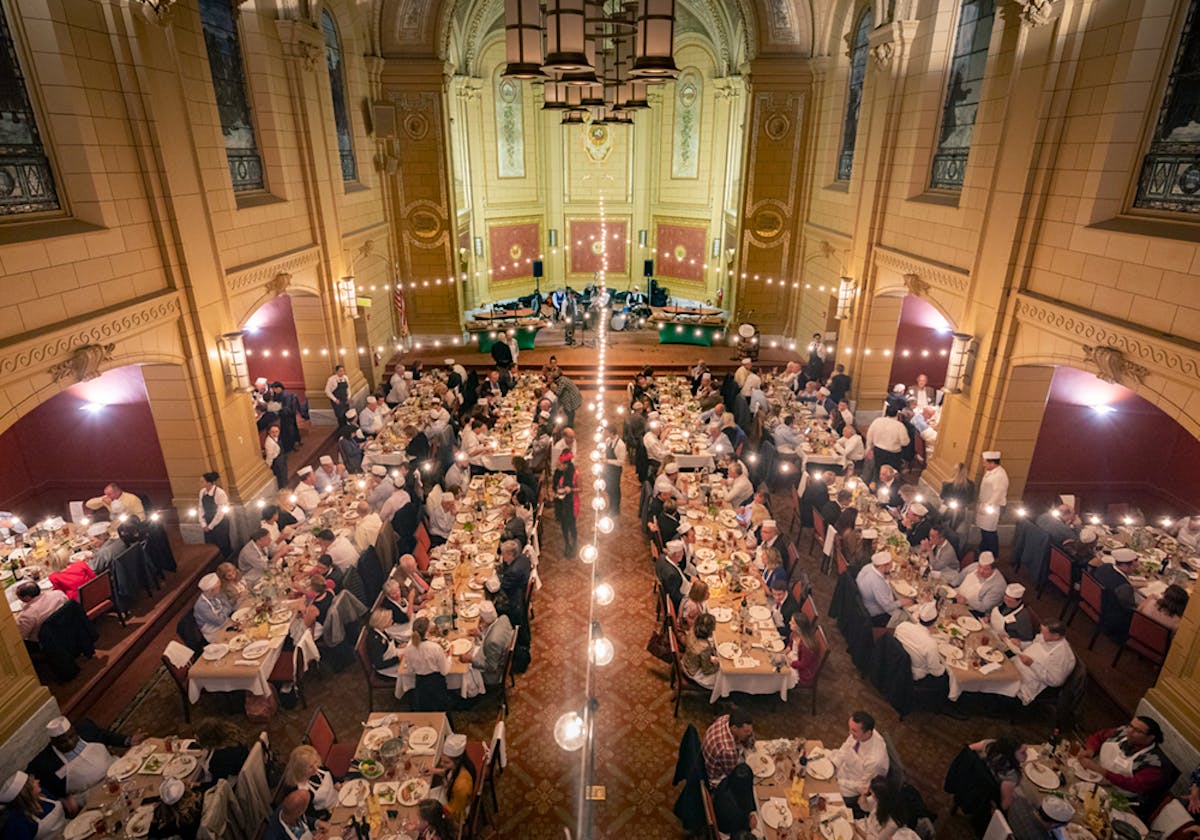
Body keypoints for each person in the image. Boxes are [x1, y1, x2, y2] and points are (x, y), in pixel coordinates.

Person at [28, 716, 144, 799]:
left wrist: (128, 740)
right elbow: (35, 784)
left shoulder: (85, 728)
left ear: (74, 731)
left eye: (72, 736)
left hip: (118, 771)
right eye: (63, 742)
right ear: (53, 742)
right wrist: (62, 800)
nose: (69, 743)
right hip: (92, 795)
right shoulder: (45, 763)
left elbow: (104, 735)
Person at [1078, 716, 1175, 811]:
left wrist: (1102, 771)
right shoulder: (1122, 732)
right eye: (1130, 726)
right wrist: (1090, 750)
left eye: (1137, 731)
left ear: (1150, 738)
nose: (1129, 731)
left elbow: (1133, 785)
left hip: (1116, 799)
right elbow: (1099, 737)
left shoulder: (1155, 763)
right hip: (1091, 777)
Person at [830, 711, 889, 807]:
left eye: (853, 731)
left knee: (827, 795)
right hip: (846, 767)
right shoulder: (862, 733)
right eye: (850, 729)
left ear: (868, 733)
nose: (849, 733)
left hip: (853, 785)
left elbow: (863, 786)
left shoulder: (875, 760)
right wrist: (834, 764)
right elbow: (846, 747)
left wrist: (838, 780)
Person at [1014, 620, 1075, 705]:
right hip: (1015, 668)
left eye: (1044, 633)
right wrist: (1020, 644)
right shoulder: (1046, 637)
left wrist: (1032, 664)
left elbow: (1055, 681)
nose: (1041, 635)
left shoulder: (1063, 656)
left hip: (1028, 683)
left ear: (1056, 636)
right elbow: (1033, 644)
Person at [0, 771, 70, 839]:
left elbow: (58, 801)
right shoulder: (17, 823)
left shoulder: (42, 794)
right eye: (33, 781)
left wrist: (66, 802)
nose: (38, 781)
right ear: (27, 793)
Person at [702, 709, 755, 787]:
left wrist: (748, 737)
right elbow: (734, 774)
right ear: (734, 728)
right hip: (715, 778)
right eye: (746, 731)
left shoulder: (726, 718)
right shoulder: (728, 750)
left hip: (708, 760)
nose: (750, 733)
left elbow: (749, 739)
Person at [857, 552, 913, 627]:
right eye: (890, 565)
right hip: (876, 614)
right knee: (908, 616)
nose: (892, 567)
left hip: (865, 603)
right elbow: (887, 607)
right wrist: (902, 602)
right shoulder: (877, 583)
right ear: (882, 566)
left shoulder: (868, 567)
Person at [469, 597, 514, 689]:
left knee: (464, 669)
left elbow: (491, 667)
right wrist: (480, 634)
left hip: (493, 674)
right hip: (497, 655)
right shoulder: (503, 618)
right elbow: (491, 634)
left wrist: (470, 660)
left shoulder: (493, 642)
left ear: (482, 620)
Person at [894, 602, 946, 681]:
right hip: (912, 674)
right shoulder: (931, 644)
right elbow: (936, 672)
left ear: (918, 617)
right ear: (934, 622)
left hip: (896, 662)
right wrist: (944, 667)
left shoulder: (903, 625)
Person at [430, 734, 476, 821]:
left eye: (446, 762)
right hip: (449, 792)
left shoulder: (462, 786)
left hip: (455, 810)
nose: (441, 764)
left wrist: (431, 808)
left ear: (458, 762)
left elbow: (454, 810)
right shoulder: (459, 766)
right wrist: (434, 771)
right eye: (441, 760)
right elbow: (449, 773)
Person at [976, 451, 1009, 557]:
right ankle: (983, 550)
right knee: (984, 530)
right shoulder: (990, 471)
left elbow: (998, 494)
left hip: (993, 507)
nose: (983, 464)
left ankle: (992, 554)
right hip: (985, 504)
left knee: (989, 531)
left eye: (985, 462)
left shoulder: (999, 476)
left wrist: (987, 506)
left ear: (992, 463)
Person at [953, 552, 1007, 616]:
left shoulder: (998, 586)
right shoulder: (974, 566)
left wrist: (966, 601)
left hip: (974, 611)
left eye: (985, 569)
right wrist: (950, 587)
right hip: (957, 597)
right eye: (980, 567)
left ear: (994, 569)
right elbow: (959, 578)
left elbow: (984, 607)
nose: (981, 571)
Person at [865, 408, 910, 476]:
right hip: (893, 454)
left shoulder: (877, 421)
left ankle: (877, 484)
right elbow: (905, 442)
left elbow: (869, 435)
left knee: (878, 471)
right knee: (892, 473)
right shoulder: (900, 426)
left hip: (878, 451)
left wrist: (868, 448)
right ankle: (890, 485)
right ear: (897, 414)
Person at [197, 471, 231, 558]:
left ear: (209, 483)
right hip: (208, 520)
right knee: (210, 543)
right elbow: (201, 508)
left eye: (202, 481)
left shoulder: (220, 493)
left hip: (220, 522)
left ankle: (227, 559)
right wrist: (203, 524)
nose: (200, 483)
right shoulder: (202, 492)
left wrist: (211, 526)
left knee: (222, 542)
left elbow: (220, 512)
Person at [193, 572, 234, 644]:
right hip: (214, 632)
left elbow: (229, 607)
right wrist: (224, 612)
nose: (221, 588)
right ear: (211, 590)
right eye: (218, 587)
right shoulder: (201, 606)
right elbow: (219, 621)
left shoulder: (217, 593)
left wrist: (222, 614)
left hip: (226, 622)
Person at [682, 612, 720, 688]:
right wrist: (718, 665)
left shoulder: (692, 630)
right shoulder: (705, 647)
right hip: (693, 672)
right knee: (721, 675)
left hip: (686, 661)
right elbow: (707, 670)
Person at [553, 451, 579, 559]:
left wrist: (571, 489)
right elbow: (554, 487)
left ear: (566, 465)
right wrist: (556, 492)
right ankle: (567, 543)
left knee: (571, 524)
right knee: (564, 524)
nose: (559, 466)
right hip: (560, 502)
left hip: (572, 501)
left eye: (561, 464)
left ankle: (574, 541)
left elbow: (580, 489)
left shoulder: (575, 474)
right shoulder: (557, 473)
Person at [655, 540, 693, 610]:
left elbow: (679, 572)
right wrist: (692, 598)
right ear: (676, 554)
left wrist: (689, 578)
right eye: (682, 552)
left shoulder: (662, 558)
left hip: (682, 585)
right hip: (683, 597)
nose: (683, 554)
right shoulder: (672, 575)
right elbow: (676, 597)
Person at [939, 462, 975, 531]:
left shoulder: (947, 483)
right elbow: (970, 499)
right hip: (956, 508)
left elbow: (942, 496)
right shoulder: (970, 485)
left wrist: (951, 500)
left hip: (952, 508)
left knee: (942, 523)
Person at [367, 608, 402, 677]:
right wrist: (397, 659)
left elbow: (389, 640)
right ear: (382, 622)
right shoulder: (375, 641)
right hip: (387, 669)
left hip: (392, 655)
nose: (392, 621)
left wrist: (398, 645)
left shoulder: (381, 630)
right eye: (389, 620)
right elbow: (379, 664)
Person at [789, 613, 823, 684]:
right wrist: (783, 654)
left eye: (792, 623)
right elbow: (790, 646)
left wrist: (789, 662)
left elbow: (803, 664)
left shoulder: (806, 646)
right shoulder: (794, 633)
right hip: (794, 659)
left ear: (799, 627)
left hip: (802, 671)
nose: (789, 623)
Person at [601, 427, 626, 514]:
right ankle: (611, 506)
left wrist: (607, 461)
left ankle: (615, 508)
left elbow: (621, 462)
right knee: (608, 488)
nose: (605, 434)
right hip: (608, 469)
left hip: (615, 470)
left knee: (615, 489)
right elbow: (606, 451)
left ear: (612, 433)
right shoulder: (608, 440)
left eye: (606, 432)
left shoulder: (620, 445)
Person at [264, 424, 288, 488]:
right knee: (281, 478)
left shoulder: (276, 438)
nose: (275, 434)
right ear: (269, 432)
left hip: (281, 458)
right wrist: (268, 466)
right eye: (273, 432)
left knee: (284, 476)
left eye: (277, 432)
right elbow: (269, 457)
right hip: (277, 462)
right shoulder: (269, 443)